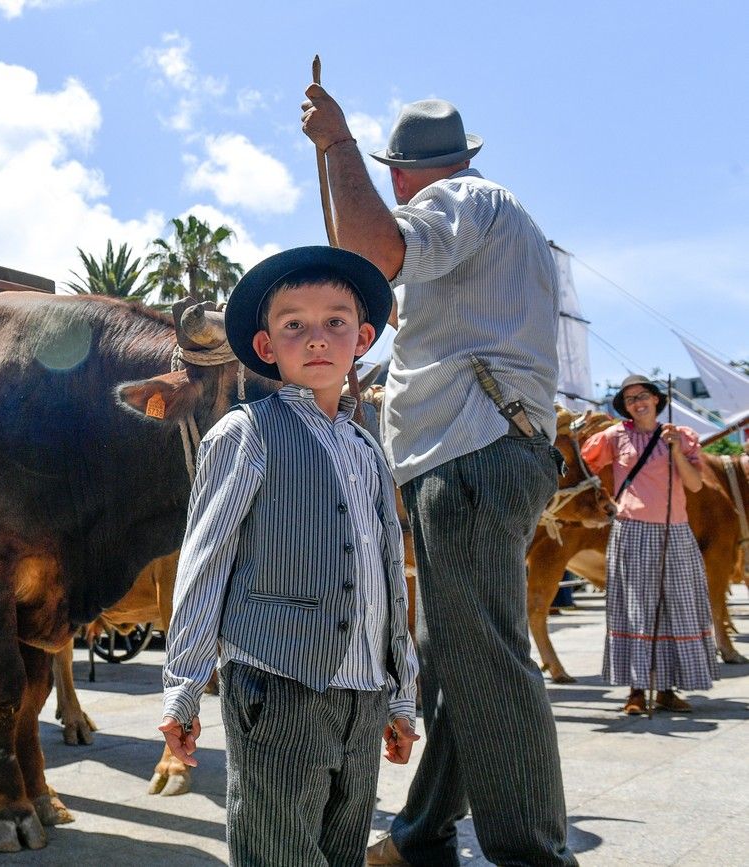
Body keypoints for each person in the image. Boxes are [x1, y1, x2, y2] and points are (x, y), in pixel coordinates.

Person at [300, 92, 577, 867]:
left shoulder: (465, 198)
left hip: (473, 449)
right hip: (475, 449)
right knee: (454, 654)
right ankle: (424, 835)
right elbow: (392, 287)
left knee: (483, 653)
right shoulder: (486, 222)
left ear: (400, 174)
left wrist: (336, 144)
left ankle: (534, 856)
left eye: (386, 172)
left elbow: (376, 249)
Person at [160, 246, 419, 867]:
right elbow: (205, 563)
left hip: (364, 695)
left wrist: (402, 694)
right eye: (294, 325)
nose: (317, 338)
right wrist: (184, 688)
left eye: (335, 322)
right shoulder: (245, 433)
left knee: (341, 853)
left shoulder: (366, 447)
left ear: (362, 338)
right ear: (267, 346)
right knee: (277, 853)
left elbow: (387, 576)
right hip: (278, 686)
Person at [581, 375, 716, 714]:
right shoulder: (613, 436)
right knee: (637, 609)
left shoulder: (681, 437)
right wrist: (599, 500)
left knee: (676, 608)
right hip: (632, 529)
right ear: (624, 407)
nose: (638, 402)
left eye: (643, 395)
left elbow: (696, 485)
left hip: (676, 532)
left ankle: (667, 690)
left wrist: (674, 450)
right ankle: (637, 691)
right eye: (630, 399)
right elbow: (583, 467)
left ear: (656, 399)